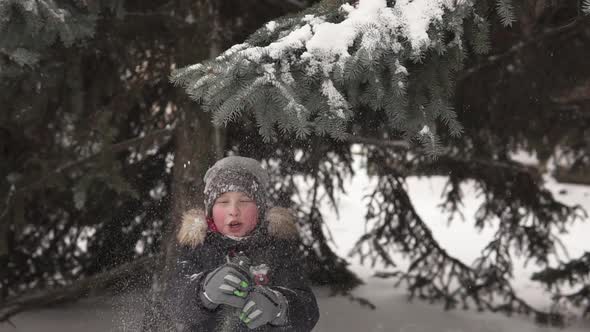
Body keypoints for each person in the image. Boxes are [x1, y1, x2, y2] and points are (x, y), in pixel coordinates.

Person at [167, 156, 319, 331]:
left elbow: (309, 310)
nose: (233, 211)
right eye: (223, 202)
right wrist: (202, 293)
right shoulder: (197, 247)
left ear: (261, 209)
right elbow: (174, 302)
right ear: (210, 212)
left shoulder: (277, 247)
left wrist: (279, 307)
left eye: (245, 201)